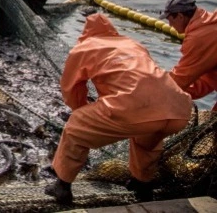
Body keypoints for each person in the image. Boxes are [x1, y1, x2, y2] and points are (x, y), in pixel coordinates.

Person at [44, 13, 192, 204]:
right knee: (146, 139)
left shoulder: (85, 47)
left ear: (86, 33)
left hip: (133, 106)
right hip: (178, 109)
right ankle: (143, 185)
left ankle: (62, 185)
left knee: (75, 126)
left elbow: (71, 88)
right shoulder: (132, 43)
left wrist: (82, 111)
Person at [160, 0, 217, 110]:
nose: (170, 25)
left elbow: (181, 79)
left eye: (170, 20)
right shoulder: (210, 22)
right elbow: (207, 81)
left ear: (180, 16)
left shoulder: (197, 38)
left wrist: (156, 89)